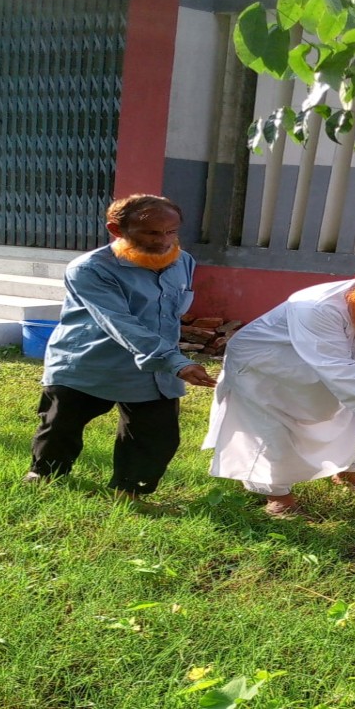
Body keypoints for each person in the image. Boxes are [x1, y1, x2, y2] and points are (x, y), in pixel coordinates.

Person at [203, 248, 355, 518]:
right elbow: (333, 365)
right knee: (271, 428)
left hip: (342, 368)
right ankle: (279, 497)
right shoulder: (317, 305)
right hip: (267, 366)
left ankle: (345, 473)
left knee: (344, 415)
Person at [23, 193, 217, 505]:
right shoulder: (90, 269)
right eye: (151, 233)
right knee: (61, 425)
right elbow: (119, 322)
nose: (163, 241)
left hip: (152, 367)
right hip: (88, 361)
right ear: (116, 230)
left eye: (171, 231)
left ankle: (129, 493)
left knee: (155, 435)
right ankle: (45, 475)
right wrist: (175, 362)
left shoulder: (183, 262)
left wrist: (170, 360)